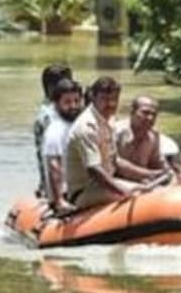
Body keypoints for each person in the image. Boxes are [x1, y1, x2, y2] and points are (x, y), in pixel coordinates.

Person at [63, 76, 157, 209]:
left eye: (114, 99)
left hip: (101, 186)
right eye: (105, 99)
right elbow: (94, 169)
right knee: (140, 196)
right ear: (93, 98)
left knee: (148, 189)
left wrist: (150, 174)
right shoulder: (86, 127)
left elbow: (115, 161)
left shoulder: (109, 121)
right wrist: (121, 190)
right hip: (84, 192)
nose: (111, 104)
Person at [40, 77, 84, 212]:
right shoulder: (55, 131)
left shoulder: (78, 125)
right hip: (67, 193)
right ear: (56, 104)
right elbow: (54, 166)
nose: (73, 106)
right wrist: (59, 201)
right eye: (67, 102)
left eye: (77, 101)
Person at [33, 63, 73, 196]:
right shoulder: (49, 116)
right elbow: (53, 159)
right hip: (58, 186)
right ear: (51, 88)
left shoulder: (57, 111)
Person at [115, 95, 168, 174]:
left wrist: (170, 171)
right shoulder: (116, 132)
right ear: (132, 112)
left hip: (143, 181)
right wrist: (147, 174)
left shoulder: (153, 135)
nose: (150, 118)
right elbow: (115, 163)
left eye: (154, 114)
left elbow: (157, 163)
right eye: (145, 113)